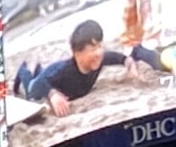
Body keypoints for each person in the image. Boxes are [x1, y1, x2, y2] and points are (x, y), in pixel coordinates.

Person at [13, 19, 149, 115]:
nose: (98, 53)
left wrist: (130, 64)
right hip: (44, 81)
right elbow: (40, 85)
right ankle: (23, 70)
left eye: (100, 46)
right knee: (30, 90)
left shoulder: (99, 60)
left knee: (45, 76)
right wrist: (52, 94)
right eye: (92, 49)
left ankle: (39, 70)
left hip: (50, 76)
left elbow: (119, 58)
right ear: (77, 53)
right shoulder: (65, 71)